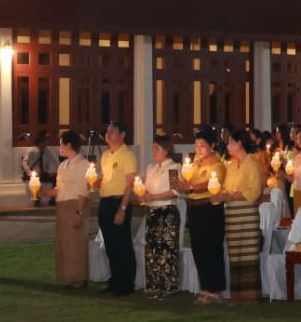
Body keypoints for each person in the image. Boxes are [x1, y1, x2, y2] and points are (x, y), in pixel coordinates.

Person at [176, 127, 227, 306]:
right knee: (198, 248)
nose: (198, 150)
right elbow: (189, 181)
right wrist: (183, 183)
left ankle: (215, 289)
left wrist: (190, 188)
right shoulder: (196, 163)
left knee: (212, 248)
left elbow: (209, 184)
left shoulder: (218, 165)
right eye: (196, 146)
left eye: (202, 146)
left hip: (209, 209)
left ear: (212, 146)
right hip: (194, 208)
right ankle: (205, 287)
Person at [212, 130, 265, 302]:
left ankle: (250, 295)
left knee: (248, 253)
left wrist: (231, 196)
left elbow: (255, 190)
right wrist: (220, 193)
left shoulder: (252, 164)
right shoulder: (231, 165)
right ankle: (237, 295)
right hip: (232, 215)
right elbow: (227, 187)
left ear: (239, 143)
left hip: (247, 214)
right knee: (235, 254)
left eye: (230, 142)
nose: (227, 146)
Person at [94, 121, 139, 296]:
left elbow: (130, 184)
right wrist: (95, 182)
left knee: (122, 244)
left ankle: (126, 284)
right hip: (105, 201)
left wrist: (122, 208)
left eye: (113, 131)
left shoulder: (127, 155)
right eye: (108, 131)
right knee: (110, 244)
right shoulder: (105, 155)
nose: (108, 133)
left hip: (119, 201)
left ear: (122, 135)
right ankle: (115, 281)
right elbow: (107, 178)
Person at [136, 135, 181, 298]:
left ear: (166, 150)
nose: (154, 151)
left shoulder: (174, 166)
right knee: (152, 248)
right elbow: (145, 188)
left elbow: (174, 191)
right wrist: (142, 193)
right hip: (152, 211)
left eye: (157, 148)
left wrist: (154, 197)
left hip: (167, 211)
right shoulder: (151, 168)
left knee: (166, 248)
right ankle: (154, 283)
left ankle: (169, 285)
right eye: (153, 148)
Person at [49, 130, 92, 287]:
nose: (59, 147)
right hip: (62, 206)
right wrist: (41, 191)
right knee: (64, 243)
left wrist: (79, 212)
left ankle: (79, 277)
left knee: (76, 243)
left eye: (61, 143)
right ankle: (67, 276)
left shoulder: (83, 165)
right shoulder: (63, 165)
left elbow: (83, 190)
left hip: (75, 205)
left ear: (69, 144)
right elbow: (59, 188)